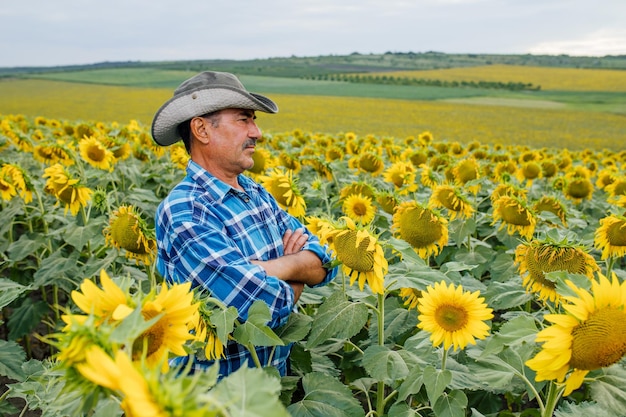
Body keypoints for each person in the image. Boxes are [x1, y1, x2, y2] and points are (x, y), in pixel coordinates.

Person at [151, 71, 337, 378]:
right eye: (244, 119)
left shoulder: (255, 193)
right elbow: (257, 308)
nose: (257, 132)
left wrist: (267, 269)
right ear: (201, 129)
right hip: (212, 399)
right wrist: (298, 269)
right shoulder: (186, 211)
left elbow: (326, 260)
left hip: (269, 388)